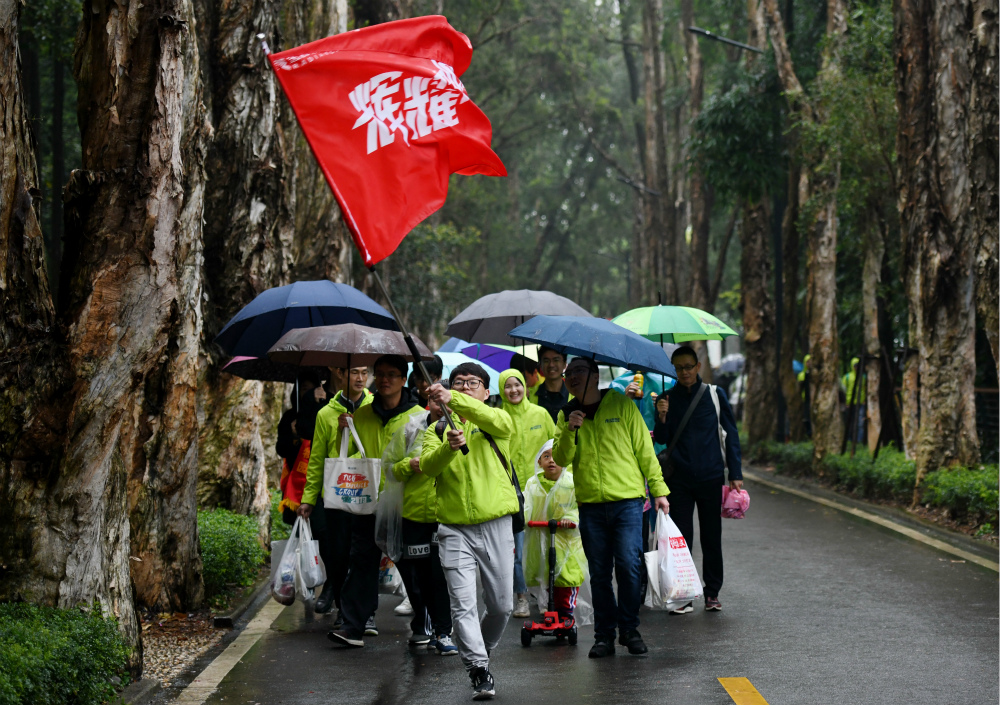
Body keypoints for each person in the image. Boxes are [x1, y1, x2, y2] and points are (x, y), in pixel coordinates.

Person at [553, 357, 669, 658]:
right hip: (590, 504)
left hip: (627, 501)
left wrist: (658, 490)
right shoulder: (565, 414)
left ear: (595, 375)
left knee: (630, 567)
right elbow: (562, 458)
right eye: (569, 373)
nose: (572, 377)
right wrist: (569, 429)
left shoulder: (620, 404)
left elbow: (644, 450)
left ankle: (629, 629)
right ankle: (604, 634)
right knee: (600, 573)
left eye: (579, 371)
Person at [421, 363, 518, 700]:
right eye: (457, 383)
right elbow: (427, 467)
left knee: (502, 604)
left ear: (486, 391)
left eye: (472, 383)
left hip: (495, 523)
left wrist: (457, 401)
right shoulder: (435, 430)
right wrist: (448, 447)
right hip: (452, 527)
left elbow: (499, 421)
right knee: (462, 604)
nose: (464, 388)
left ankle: (483, 649)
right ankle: (478, 668)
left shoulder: (496, 421)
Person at [653, 345, 742, 614]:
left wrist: (735, 473)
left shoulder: (715, 395)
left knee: (711, 536)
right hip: (678, 478)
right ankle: (684, 592)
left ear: (698, 366)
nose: (684, 372)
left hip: (710, 476)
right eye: (679, 368)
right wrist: (662, 415)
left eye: (689, 367)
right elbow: (662, 438)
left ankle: (712, 592)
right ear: (674, 370)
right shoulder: (667, 397)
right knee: (681, 538)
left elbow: (731, 433)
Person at [298, 366, 372, 617]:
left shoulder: (374, 406)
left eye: (364, 372)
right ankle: (343, 608)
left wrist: (354, 427)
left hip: (366, 490)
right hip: (336, 493)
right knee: (337, 553)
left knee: (363, 554)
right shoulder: (327, 413)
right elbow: (317, 458)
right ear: (340, 373)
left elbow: (372, 450)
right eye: (354, 372)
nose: (360, 378)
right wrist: (308, 498)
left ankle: (365, 612)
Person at [391, 396, 458, 655]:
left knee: (440, 575)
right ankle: (424, 623)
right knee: (417, 576)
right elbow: (392, 470)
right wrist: (409, 464)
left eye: (446, 400)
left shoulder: (460, 430)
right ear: (427, 401)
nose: (440, 406)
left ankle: (442, 631)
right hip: (413, 514)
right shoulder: (411, 429)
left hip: (445, 515)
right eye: (434, 400)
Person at [497, 369, 556, 619]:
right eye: (507, 386)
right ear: (501, 390)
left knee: (542, 544)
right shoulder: (497, 417)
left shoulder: (540, 414)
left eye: (518, 385)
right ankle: (521, 596)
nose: (513, 390)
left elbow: (555, 445)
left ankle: (543, 593)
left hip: (539, 489)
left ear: (526, 387)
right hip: (509, 490)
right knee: (518, 548)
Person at [522, 440, 587, 621]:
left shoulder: (571, 482)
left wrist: (571, 519)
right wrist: (526, 520)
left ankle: (566, 612)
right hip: (541, 536)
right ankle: (551, 609)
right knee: (546, 575)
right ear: (539, 462)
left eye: (555, 456)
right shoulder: (533, 484)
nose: (551, 460)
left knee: (566, 576)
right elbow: (526, 505)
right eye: (546, 456)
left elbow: (578, 505)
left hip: (566, 540)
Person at [531, 346, 570, 423]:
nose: (551, 365)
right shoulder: (529, 395)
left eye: (556, 360)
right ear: (540, 365)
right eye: (546, 361)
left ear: (564, 364)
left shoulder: (574, 395)